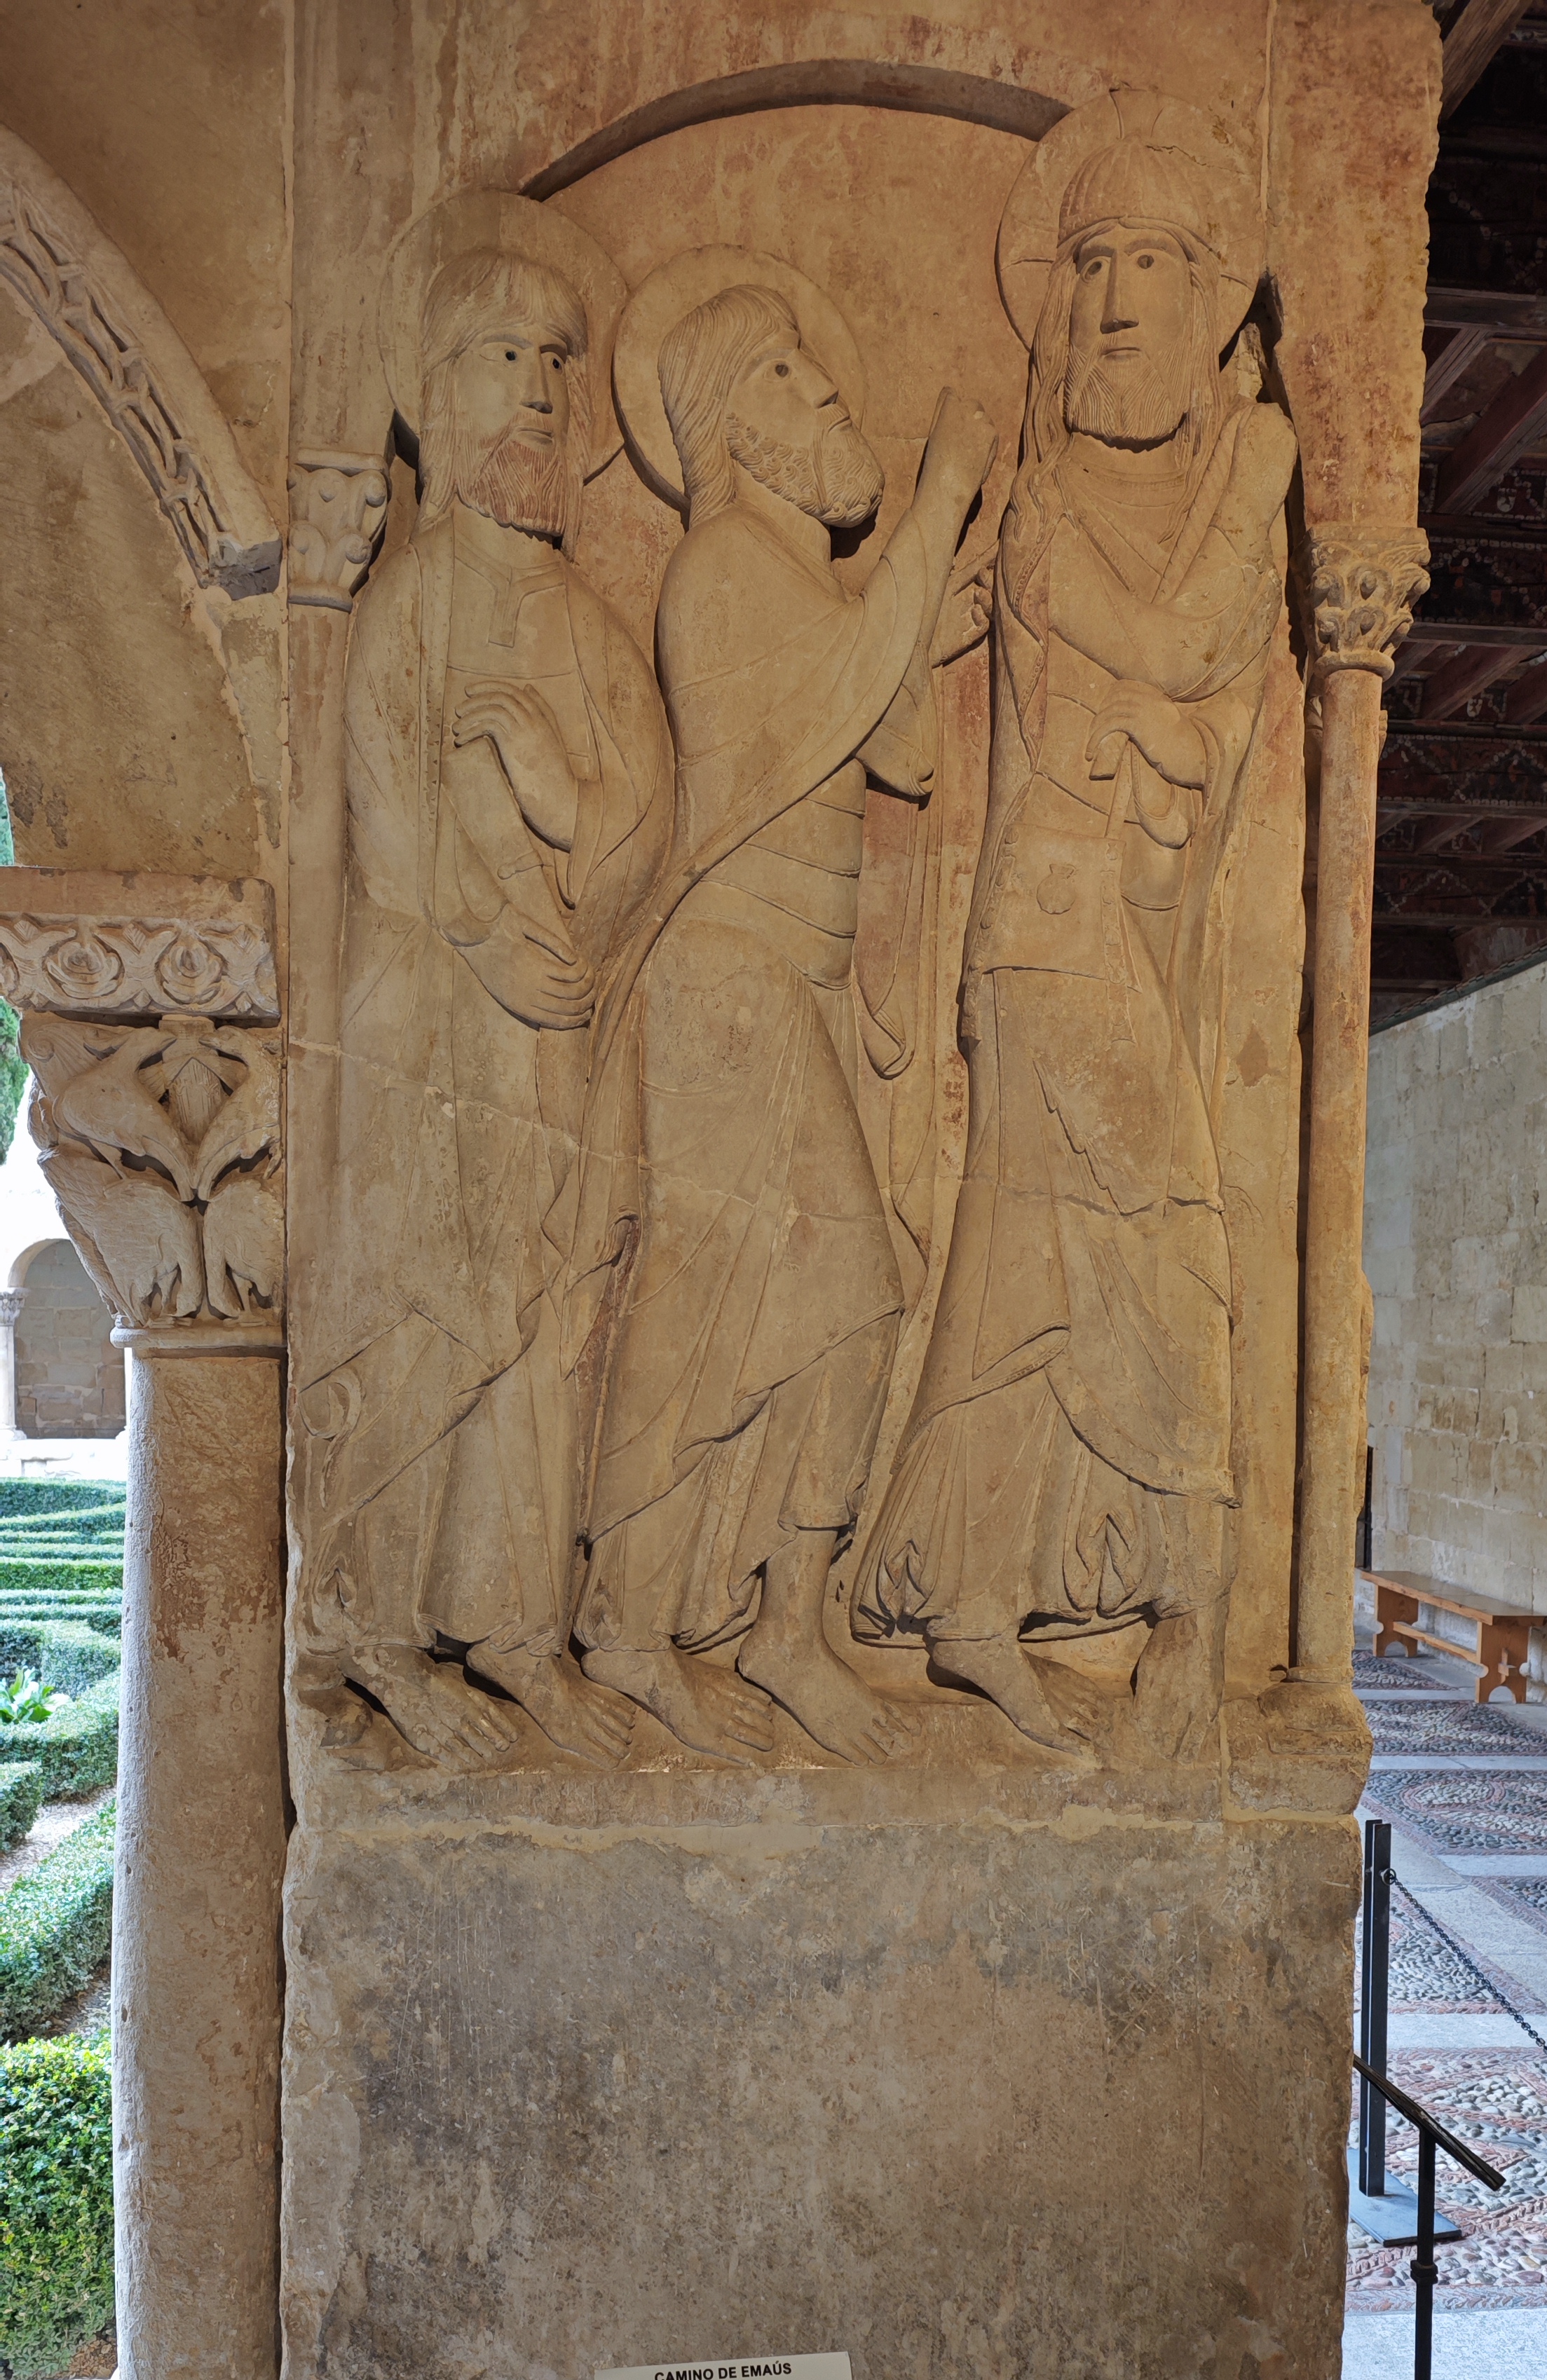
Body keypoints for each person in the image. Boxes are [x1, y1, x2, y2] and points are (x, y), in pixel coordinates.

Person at [857, 130, 1295, 1757]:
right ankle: (1186, 1610)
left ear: (1208, 305)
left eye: (1152, 265)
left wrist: (1250, 489)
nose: (1114, 299)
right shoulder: (1046, 508)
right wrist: (1260, 476)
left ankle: (983, 1604)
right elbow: (1173, 649)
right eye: (1092, 264)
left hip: (1132, 926)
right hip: (1049, 934)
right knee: (1151, 1251)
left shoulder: (1201, 499)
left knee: (1043, 1271)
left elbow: (1208, 704)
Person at [568, 278, 995, 1761]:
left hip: (788, 983)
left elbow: (906, 750)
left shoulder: (802, 584)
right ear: (730, 422)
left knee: (820, 1302)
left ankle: (773, 1624)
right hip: (723, 976)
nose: (827, 398)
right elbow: (836, 702)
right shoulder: (720, 571)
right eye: (791, 379)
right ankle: (646, 1622)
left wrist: (921, 611)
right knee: (738, 1293)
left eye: (821, 374)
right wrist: (938, 503)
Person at [301, 238, 672, 1767]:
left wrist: (558, 797)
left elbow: (645, 813)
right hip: (435, 1024)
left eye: (554, 364)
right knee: (430, 1314)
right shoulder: (413, 602)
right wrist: (494, 941)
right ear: (440, 398)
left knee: (545, 1327)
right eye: (503, 359)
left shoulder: (581, 617)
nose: (537, 391)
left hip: (559, 1018)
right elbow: (389, 826)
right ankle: (374, 1635)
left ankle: (517, 1632)